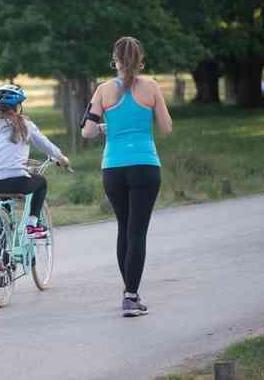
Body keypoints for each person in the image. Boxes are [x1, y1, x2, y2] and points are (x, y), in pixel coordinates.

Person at [81, 37, 173, 317]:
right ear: (140, 59)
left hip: (113, 168)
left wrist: (106, 128)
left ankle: (129, 292)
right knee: (137, 232)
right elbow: (166, 127)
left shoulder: (103, 90)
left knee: (124, 228)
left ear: (115, 60)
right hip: (145, 164)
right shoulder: (152, 87)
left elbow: (86, 131)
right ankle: (131, 296)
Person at [0, 84, 70, 238]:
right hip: (17, 180)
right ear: (18, 106)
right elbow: (46, 145)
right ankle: (31, 226)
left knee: (5, 212)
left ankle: (2, 257)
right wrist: (62, 158)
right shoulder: (26, 125)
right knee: (41, 183)